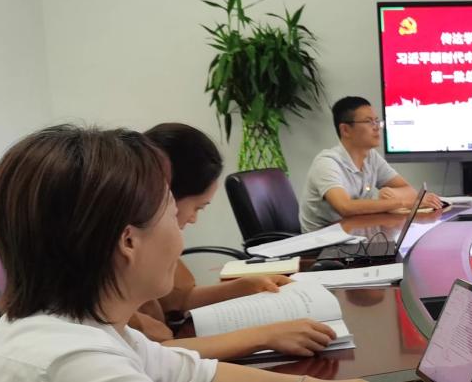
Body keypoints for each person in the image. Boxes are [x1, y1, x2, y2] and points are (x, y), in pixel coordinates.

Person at [0, 124, 363, 382]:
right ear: (128, 241)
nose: (183, 232)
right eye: (172, 214)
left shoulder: (89, 327)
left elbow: (194, 371)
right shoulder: (79, 363)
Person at [132, 122, 338, 360]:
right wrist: (263, 336)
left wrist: (245, 287)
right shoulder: (120, 254)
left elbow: (178, 300)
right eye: (197, 207)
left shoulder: (152, 240)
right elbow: (156, 355)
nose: (193, 220)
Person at [300, 96, 442, 232]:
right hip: (321, 242)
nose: (377, 127)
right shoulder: (327, 163)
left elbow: (409, 190)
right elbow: (345, 207)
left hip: (353, 234)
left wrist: (392, 193)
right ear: (345, 130)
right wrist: (405, 203)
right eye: (369, 122)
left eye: (377, 121)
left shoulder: (371, 157)